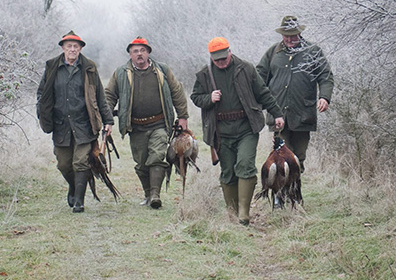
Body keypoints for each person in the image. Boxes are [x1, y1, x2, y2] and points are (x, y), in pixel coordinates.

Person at [191, 37, 284, 225]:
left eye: (223, 58)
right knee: (228, 171)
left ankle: (244, 213)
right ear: (211, 57)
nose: (221, 62)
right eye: (216, 60)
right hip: (220, 131)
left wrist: (277, 114)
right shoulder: (203, 75)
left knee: (245, 165)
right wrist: (209, 98)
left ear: (230, 52)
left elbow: (263, 92)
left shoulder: (246, 68)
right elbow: (195, 97)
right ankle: (231, 213)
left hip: (246, 127)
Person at [105, 36, 189, 209]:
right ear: (130, 54)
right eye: (135, 51)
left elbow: (177, 92)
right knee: (142, 163)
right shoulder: (121, 73)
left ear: (149, 52)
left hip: (159, 123)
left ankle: (156, 196)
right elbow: (109, 96)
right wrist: (107, 120)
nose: (139, 54)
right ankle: (147, 193)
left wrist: (183, 117)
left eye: (143, 50)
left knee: (157, 156)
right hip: (135, 126)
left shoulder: (162, 70)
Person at [36, 30, 113, 213]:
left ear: (80, 49)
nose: (72, 49)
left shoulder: (89, 68)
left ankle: (79, 201)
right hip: (60, 125)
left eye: (76, 46)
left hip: (84, 124)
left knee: (81, 162)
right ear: (63, 48)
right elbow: (42, 94)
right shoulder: (52, 67)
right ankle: (74, 186)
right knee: (64, 164)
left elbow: (100, 96)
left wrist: (108, 120)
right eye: (69, 46)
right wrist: (42, 112)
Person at [256, 15, 334, 173]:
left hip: (303, 115)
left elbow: (325, 77)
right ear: (281, 35)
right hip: (278, 115)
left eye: (293, 35)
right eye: (287, 35)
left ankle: (294, 192)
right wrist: (257, 103)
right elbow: (258, 79)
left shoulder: (313, 52)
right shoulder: (273, 53)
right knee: (282, 158)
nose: (290, 39)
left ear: (299, 33)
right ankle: (282, 195)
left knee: (298, 159)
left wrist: (324, 97)